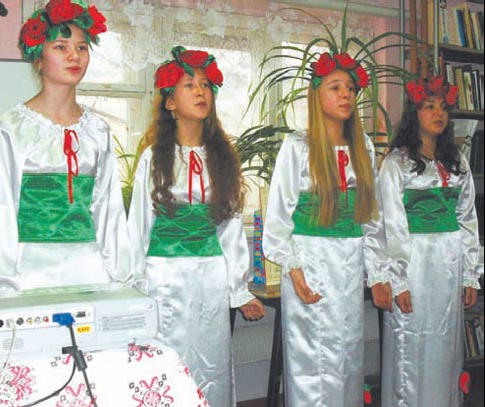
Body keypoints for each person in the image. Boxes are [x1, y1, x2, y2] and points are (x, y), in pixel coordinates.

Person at [127, 46, 265, 407]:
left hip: (210, 279)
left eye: (205, 85)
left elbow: (230, 229)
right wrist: (135, 285)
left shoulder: (223, 159)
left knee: (211, 365)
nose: (200, 91)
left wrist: (239, 290)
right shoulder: (153, 158)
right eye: (189, 85)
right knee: (165, 364)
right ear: (170, 102)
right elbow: (138, 226)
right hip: (164, 279)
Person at [262, 51, 393, 407]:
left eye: (350, 87)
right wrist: (294, 269)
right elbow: (278, 219)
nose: (345, 94)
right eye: (335, 87)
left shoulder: (363, 148)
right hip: (310, 266)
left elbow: (372, 218)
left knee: (347, 358)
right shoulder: (298, 147)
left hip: (348, 269)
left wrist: (378, 274)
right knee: (312, 363)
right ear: (316, 93)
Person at [0, 0, 131, 292]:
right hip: (28, 273)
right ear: (39, 58)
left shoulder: (98, 131)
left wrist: (122, 278)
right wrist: (0, 283)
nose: (74, 56)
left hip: (90, 271)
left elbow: (109, 211)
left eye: (82, 47)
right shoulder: (13, 127)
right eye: (61, 47)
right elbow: (2, 210)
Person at [380, 76, 482, 407]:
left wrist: (470, 274)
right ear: (415, 113)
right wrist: (398, 280)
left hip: (449, 269)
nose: (438, 113)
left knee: (445, 346)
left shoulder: (457, 162)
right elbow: (391, 225)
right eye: (429, 106)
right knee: (410, 344)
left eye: (443, 107)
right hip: (414, 267)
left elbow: (467, 219)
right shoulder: (396, 164)